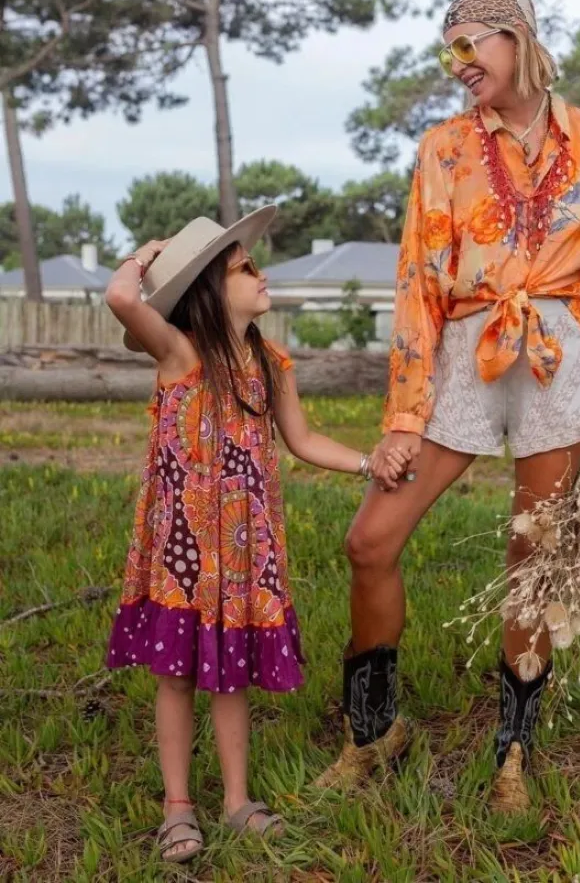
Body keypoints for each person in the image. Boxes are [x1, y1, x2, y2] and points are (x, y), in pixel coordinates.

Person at [316, 0, 580, 813]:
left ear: (515, 36)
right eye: (446, 50)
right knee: (370, 541)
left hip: (560, 358)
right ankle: (373, 730)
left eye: (467, 45)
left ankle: (512, 753)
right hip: (465, 349)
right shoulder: (444, 148)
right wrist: (403, 417)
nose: (456, 64)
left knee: (533, 561)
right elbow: (417, 283)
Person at [104, 210, 407, 863]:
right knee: (176, 676)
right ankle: (178, 807)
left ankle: (237, 801)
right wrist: (145, 254)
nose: (262, 274)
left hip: (243, 550)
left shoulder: (270, 363)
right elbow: (122, 298)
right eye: (245, 268)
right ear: (209, 291)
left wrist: (369, 463)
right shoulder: (179, 350)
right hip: (184, 555)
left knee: (230, 676)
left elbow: (303, 439)